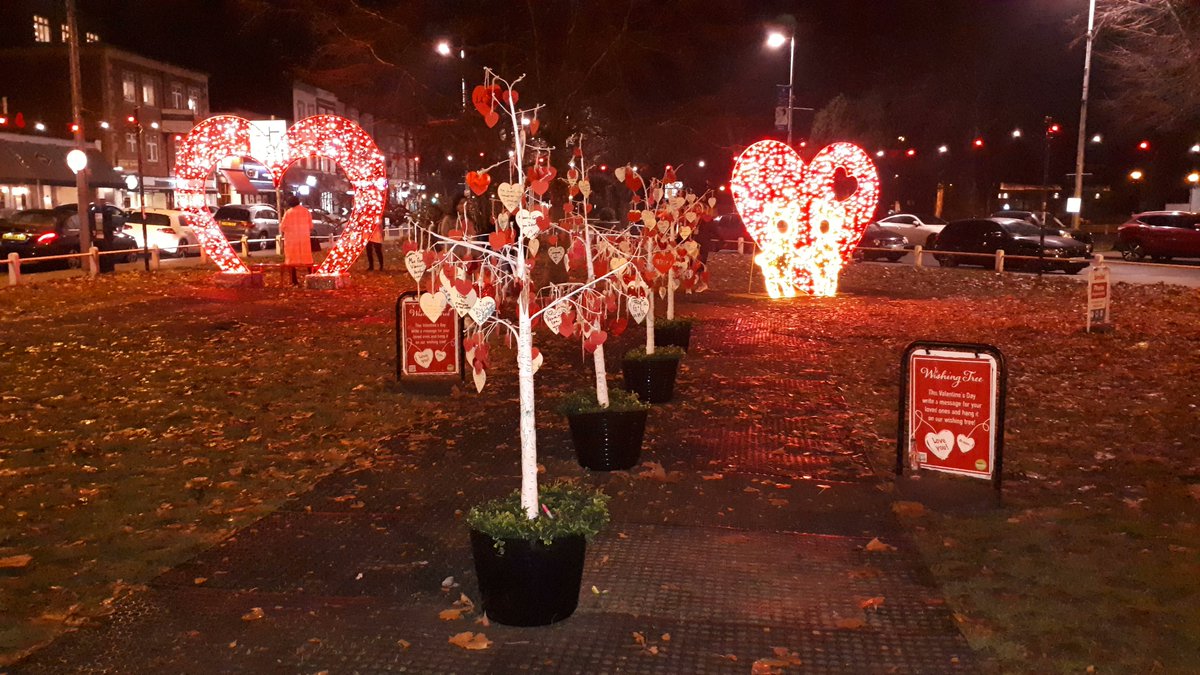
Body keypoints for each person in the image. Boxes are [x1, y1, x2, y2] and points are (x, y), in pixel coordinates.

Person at [279, 195, 314, 274]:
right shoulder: (306, 211)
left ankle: (294, 280)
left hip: (292, 240)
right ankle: (310, 275)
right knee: (307, 258)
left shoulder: (288, 213)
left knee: (292, 260)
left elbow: (282, 227)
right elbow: (311, 226)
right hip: (304, 239)